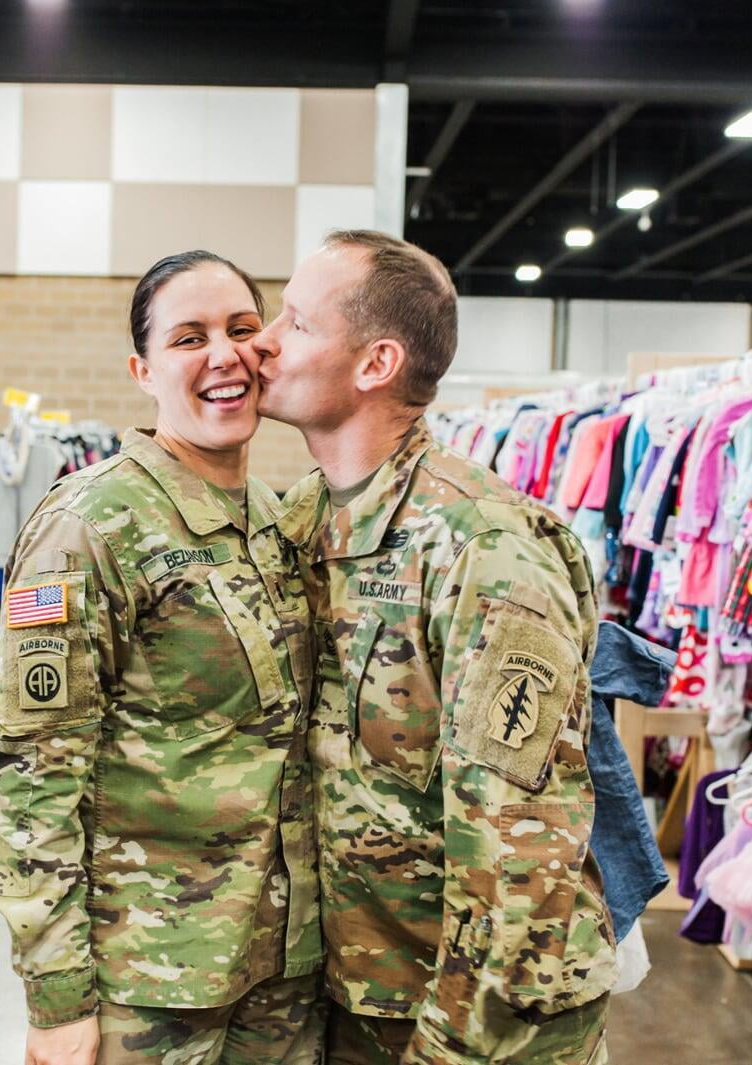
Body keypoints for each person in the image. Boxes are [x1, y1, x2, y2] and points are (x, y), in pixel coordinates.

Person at [253, 230, 614, 1064]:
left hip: (483, 1018)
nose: (265, 341)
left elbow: (523, 845)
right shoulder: (302, 520)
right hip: (362, 988)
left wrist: (455, 1046)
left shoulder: (485, 547)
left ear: (375, 363)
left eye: (297, 324)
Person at [0, 250, 323, 1065]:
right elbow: (31, 775)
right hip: (148, 981)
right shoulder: (91, 524)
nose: (224, 355)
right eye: (188, 338)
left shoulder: (274, 519)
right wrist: (57, 997)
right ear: (143, 370)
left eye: (243, 329)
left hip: (283, 970)